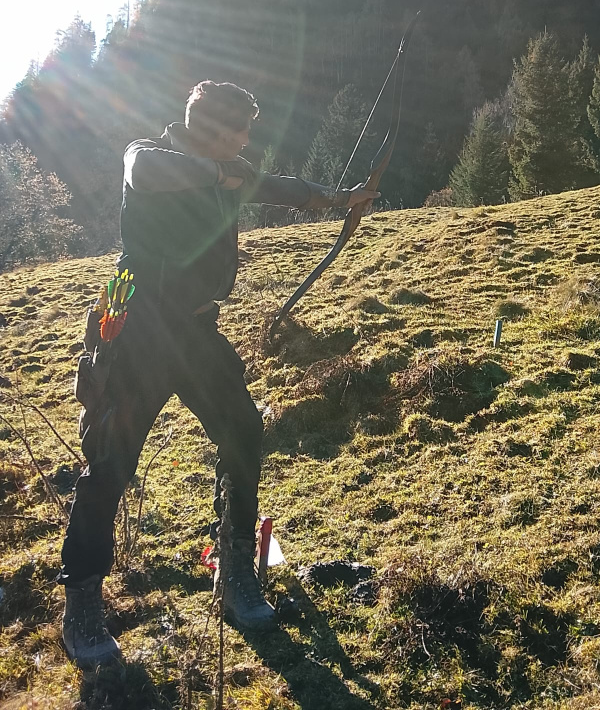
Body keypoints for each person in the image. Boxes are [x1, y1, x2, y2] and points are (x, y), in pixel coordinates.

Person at [59, 80, 378, 667]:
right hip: (135, 333)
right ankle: (81, 601)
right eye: (238, 132)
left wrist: (339, 200)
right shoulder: (147, 154)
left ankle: (234, 571)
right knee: (109, 464)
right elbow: (145, 172)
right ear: (210, 128)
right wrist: (222, 176)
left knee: (243, 433)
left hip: (197, 332)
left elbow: (282, 188)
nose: (245, 142)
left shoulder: (230, 169)